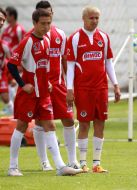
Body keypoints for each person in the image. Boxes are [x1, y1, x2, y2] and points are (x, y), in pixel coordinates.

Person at [7, 8, 82, 176]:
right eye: (42, 24)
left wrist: (47, 82)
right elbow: (11, 64)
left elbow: (43, 66)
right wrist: (22, 84)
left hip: (43, 93)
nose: (46, 27)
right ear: (34, 23)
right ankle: (12, 166)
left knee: (50, 125)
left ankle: (60, 166)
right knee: (21, 126)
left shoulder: (47, 41)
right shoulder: (27, 41)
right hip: (29, 93)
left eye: (48, 23)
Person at [66, 5, 121, 173]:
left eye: (97, 18)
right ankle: (82, 163)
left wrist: (116, 85)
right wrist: (69, 89)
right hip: (83, 89)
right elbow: (70, 66)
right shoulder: (75, 38)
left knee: (100, 123)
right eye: (91, 18)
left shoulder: (103, 37)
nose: (95, 21)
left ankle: (97, 163)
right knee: (83, 125)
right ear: (84, 19)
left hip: (101, 89)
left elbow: (108, 63)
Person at [31, 0, 79, 172]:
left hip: (58, 86)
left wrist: (69, 86)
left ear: (52, 14)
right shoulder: (31, 38)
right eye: (43, 14)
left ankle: (73, 160)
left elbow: (65, 60)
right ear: (37, 17)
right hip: (40, 87)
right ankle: (45, 162)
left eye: (49, 13)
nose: (47, 17)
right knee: (40, 123)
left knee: (68, 119)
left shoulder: (60, 34)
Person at [1, 6, 25, 114]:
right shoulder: (6, 30)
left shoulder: (20, 29)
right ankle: (12, 107)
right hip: (6, 62)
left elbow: (23, 45)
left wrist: (20, 63)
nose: (3, 21)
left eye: (5, 17)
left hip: (14, 61)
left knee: (13, 84)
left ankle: (14, 108)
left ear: (12, 16)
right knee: (11, 85)